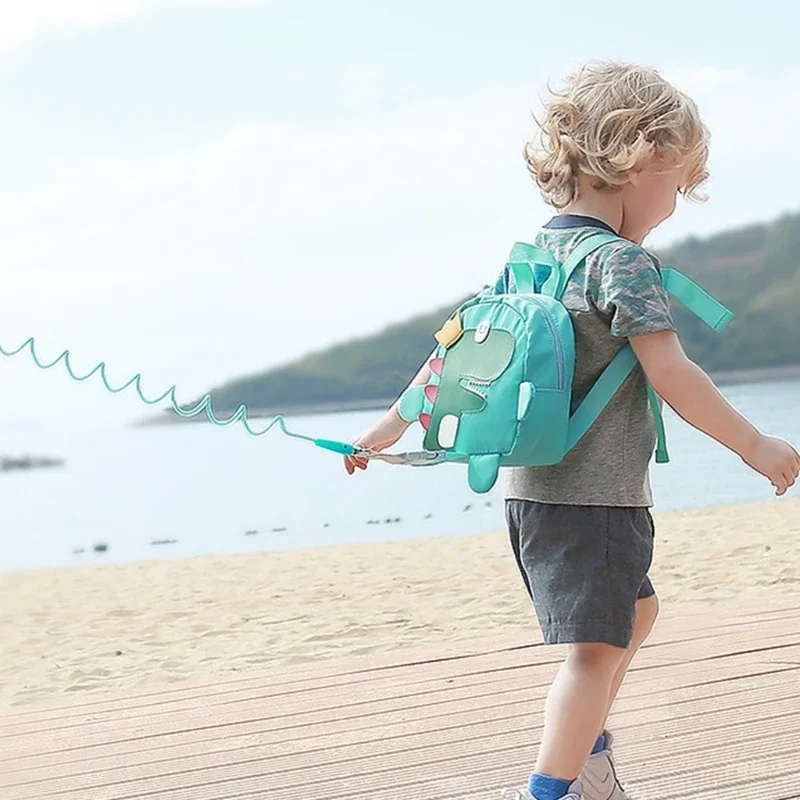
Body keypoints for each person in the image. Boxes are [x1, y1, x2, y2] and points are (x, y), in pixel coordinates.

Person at [344, 61, 800, 800]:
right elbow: (673, 373)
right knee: (594, 654)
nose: (674, 205)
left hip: (534, 498)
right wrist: (755, 444)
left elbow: (455, 356)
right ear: (638, 158)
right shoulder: (620, 263)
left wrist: (386, 430)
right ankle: (558, 785)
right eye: (675, 184)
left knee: (636, 611)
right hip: (598, 502)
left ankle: (584, 761)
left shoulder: (529, 260)